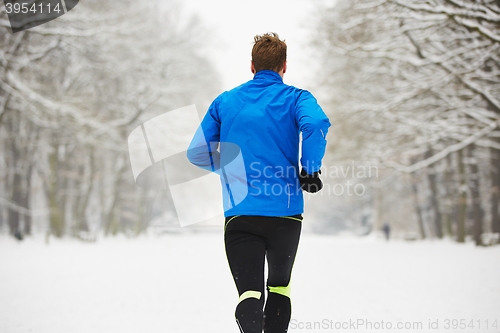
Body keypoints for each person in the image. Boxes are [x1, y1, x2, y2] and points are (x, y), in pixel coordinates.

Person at [187, 33, 330, 333]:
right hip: (285, 214)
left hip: (241, 214)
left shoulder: (225, 101)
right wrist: (309, 169)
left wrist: (232, 172)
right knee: (279, 288)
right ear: (284, 67)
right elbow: (315, 123)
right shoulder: (297, 99)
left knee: (249, 293)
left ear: (252, 66)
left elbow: (197, 153)